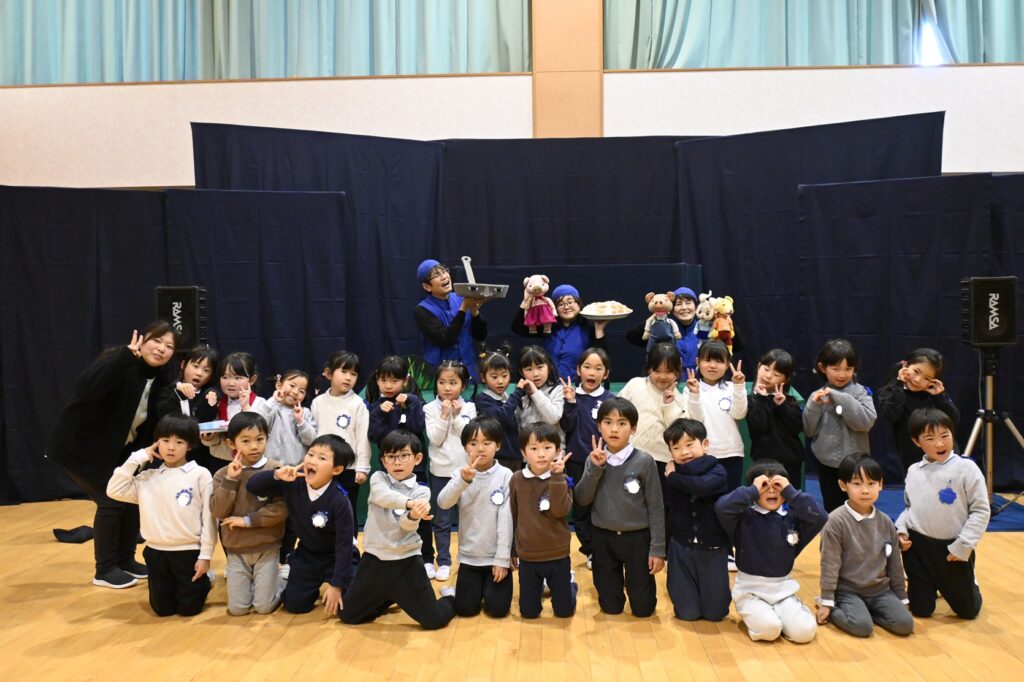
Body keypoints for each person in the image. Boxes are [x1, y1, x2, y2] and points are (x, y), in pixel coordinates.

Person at [47, 321, 180, 588]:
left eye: (169, 346)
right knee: (111, 499)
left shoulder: (161, 377)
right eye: (157, 341)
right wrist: (122, 357)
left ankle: (125, 559)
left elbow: (159, 416)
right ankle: (105, 570)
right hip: (81, 449)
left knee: (131, 498)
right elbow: (85, 388)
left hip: (117, 452)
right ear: (142, 340)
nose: (161, 349)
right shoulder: (119, 361)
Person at [340, 430, 457, 630]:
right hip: (374, 559)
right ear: (383, 461)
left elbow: (406, 525)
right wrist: (410, 504)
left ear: (417, 459)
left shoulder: (422, 491)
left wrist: (413, 516)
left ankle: (451, 597)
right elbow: (382, 496)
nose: (397, 462)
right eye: (391, 457)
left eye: (404, 456)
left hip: (407, 561)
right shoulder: (378, 479)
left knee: (435, 620)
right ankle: (390, 594)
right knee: (348, 615)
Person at [106, 413, 216, 616]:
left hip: (188, 551)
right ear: (157, 443)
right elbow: (113, 490)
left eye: (179, 442)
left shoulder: (200, 474)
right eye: (165, 441)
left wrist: (205, 556)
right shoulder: (148, 477)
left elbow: (209, 518)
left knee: (189, 609)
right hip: (156, 551)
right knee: (162, 610)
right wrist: (137, 458)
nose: (171, 447)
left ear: (189, 446)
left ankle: (206, 579)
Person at [715, 459, 827, 643]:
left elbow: (820, 516)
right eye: (764, 486)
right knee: (769, 630)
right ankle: (762, 614)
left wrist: (791, 492)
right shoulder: (743, 517)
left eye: (777, 485)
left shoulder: (793, 519)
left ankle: (786, 612)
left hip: (783, 591)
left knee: (805, 633)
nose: (772, 490)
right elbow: (721, 507)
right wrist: (752, 490)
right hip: (750, 592)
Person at [575, 397, 666, 617]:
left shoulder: (644, 461)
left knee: (643, 608)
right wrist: (595, 468)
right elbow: (582, 499)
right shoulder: (593, 459)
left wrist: (657, 549)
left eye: (622, 423)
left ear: (633, 429)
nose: (614, 429)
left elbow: (656, 507)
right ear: (599, 426)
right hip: (603, 537)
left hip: (637, 538)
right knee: (611, 607)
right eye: (608, 422)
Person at [896, 408, 989, 620]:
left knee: (968, 612)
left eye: (945, 435)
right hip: (918, 548)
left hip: (951, 548)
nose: (940, 444)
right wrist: (901, 530)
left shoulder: (966, 468)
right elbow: (909, 508)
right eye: (930, 438)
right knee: (921, 610)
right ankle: (933, 585)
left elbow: (981, 510)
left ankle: (970, 581)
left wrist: (964, 544)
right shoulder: (913, 471)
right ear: (917, 441)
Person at [247, 435, 355, 616]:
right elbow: (252, 486)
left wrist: (336, 585)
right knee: (295, 606)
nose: (312, 460)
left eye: (322, 458)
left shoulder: (340, 500)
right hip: (308, 555)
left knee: (349, 607)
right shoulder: (293, 483)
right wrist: (276, 474)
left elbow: (344, 546)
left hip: (337, 556)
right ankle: (288, 575)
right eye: (310, 454)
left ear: (336, 469)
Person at [817, 454, 913, 637]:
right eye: (856, 483)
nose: (865, 490)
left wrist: (902, 597)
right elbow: (830, 563)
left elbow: (894, 564)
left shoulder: (886, 522)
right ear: (843, 485)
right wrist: (826, 600)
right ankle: (837, 608)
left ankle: (867, 612)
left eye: (871, 483)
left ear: (881, 485)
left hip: (880, 591)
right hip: (848, 591)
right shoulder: (835, 521)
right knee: (862, 627)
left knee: (905, 624)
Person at [209, 412, 288, 616]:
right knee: (237, 609)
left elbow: (282, 509)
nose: (254, 446)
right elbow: (218, 511)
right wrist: (230, 480)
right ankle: (259, 584)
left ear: (267, 439)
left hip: (267, 547)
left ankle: (282, 578)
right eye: (246, 441)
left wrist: (248, 521)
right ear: (231, 443)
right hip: (236, 549)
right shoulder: (222, 474)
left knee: (263, 607)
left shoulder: (276, 469)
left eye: (259, 439)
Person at [437, 416, 514, 618]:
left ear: (498, 445)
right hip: (469, 557)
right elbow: (443, 503)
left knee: (498, 610)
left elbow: (506, 521)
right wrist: (463, 481)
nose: (480, 449)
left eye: (487, 443)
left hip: (496, 558)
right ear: (465, 447)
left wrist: (502, 559)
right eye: (473, 443)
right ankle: (453, 592)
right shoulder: (460, 473)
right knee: (465, 610)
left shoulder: (506, 475)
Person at [367, 355, 433, 574]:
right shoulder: (376, 406)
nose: (388, 386)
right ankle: (390, 552)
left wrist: (411, 403)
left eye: (394, 381)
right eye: (384, 380)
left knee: (421, 513)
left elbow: (416, 427)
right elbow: (375, 436)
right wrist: (379, 413)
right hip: (389, 471)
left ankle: (426, 557)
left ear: (405, 381)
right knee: (389, 513)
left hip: (415, 470)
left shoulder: (414, 402)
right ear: (377, 380)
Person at [661, 418, 730, 622]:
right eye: (676, 448)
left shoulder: (717, 470)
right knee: (687, 613)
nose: (684, 452)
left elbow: (701, 486)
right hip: (681, 545)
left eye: (689, 445)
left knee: (716, 613)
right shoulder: (671, 472)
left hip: (712, 547)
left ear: (705, 444)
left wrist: (674, 476)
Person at [509, 422, 577, 619]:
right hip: (528, 556)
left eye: (547, 448)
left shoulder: (563, 479)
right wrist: (512, 550)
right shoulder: (516, 479)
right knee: (529, 612)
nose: (541, 454)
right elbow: (513, 516)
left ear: (557, 451)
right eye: (534, 448)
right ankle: (542, 587)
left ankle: (571, 585)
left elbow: (560, 511)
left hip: (558, 553)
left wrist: (556, 477)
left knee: (564, 611)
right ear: (523, 453)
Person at [803, 339, 877, 512]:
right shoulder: (817, 396)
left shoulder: (861, 393)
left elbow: (865, 423)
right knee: (832, 507)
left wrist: (840, 397)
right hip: (826, 464)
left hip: (856, 463)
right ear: (823, 368)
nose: (842, 374)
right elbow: (809, 430)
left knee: (858, 506)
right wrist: (814, 406)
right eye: (836, 369)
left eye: (848, 369)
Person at [559, 347, 614, 568]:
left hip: (605, 462)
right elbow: (566, 426)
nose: (592, 372)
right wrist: (571, 403)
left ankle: (606, 550)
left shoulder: (610, 399)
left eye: (598, 368)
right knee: (581, 510)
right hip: (577, 463)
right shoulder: (570, 396)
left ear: (606, 374)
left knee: (604, 507)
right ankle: (591, 551)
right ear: (578, 370)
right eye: (587, 367)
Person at [423, 359, 477, 581]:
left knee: (469, 520)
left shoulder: (470, 407)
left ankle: (469, 559)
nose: (447, 387)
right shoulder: (429, 408)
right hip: (440, 473)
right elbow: (435, 439)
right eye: (442, 382)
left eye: (453, 382)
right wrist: (444, 415)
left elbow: (469, 436)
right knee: (442, 521)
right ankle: (443, 562)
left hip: (466, 472)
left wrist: (456, 415)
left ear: (463, 386)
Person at [618, 343, 702, 478]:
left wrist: (669, 405)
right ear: (649, 369)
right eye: (657, 371)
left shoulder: (680, 399)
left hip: (662, 460)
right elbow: (617, 412)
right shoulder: (635, 385)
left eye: (668, 372)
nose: (662, 376)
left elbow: (680, 433)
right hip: (631, 455)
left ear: (678, 371)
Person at [876, 348, 960, 474]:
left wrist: (939, 397)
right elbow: (891, 414)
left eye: (927, 378)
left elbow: (953, 421)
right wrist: (898, 385)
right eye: (916, 371)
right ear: (905, 365)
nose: (918, 380)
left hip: (945, 453)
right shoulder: (891, 391)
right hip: (913, 458)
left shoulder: (934, 395)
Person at [311, 350, 370, 523]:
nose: (348, 378)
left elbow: (362, 438)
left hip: (348, 469)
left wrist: (362, 468)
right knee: (321, 510)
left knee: (347, 511)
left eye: (353, 374)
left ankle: (349, 541)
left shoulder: (358, 404)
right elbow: (312, 435)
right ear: (329, 373)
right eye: (343, 372)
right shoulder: (318, 402)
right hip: (321, 467)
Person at [511, 283, 609, 381]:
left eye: (570, 302)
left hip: (576, 386)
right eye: (560, 304)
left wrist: (599, 329)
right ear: (554, 308)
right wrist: (526, 301)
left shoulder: (588, 330)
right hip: (549, 386)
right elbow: (517, 328)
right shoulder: (547, 328)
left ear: (579, 304)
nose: (566, 307)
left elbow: (601, 359)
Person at [686, 340, 747, 491]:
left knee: (731, 498)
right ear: (697, 362)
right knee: (706, 498)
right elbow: (696, 421)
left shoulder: (733, 387)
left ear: (727, 365)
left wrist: (739, 387)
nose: (712, 366)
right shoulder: (691, 389)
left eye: (719, 361)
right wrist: (695, 394)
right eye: (707, 360)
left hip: (732, 453)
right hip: (703, 454)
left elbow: (739, 414)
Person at [414, 259, 488, 381]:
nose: (444, 277)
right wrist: (464, 308)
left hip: (469, 371)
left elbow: (480, 335)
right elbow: (446, 339)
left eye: (444, 271)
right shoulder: (422, 310)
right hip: (442, 374)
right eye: (436, 275)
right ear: (427, 286)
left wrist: (474, 311)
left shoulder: (461, 298)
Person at [155, 344, 219, 471]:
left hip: (201, 458)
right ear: (183, 365)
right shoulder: (168, 391)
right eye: (195, 366)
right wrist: (179, 393)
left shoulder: (211, 394)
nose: (199, 373)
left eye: (206, 370)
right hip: (171, 455)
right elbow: (164, 418)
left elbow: (208, 420)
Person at [747, 349, 805, 486]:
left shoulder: (790, 400)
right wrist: (762, 398)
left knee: (789, 496)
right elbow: (759, 426)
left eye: (776, 374)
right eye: (766, 369)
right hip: (763, 464)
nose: (768, 376)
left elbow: (798, 427)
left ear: (786, 379)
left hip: (790, 463)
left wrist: (782, 406)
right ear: (759, 367)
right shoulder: (753, 400)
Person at [202, 352, 268, 462]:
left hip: (252, 461)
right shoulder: (217, 403)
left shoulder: (261, 403)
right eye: (225, 377)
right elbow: (213, 440)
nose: (231, 383)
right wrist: (209, 438)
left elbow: (261, 433)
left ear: (252, 380)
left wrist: (246, 407)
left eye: (238, 378)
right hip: (221, 460)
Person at [474, 346, 526, 471]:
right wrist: (518, 392)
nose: (500, 381)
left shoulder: (508, 398)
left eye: (504, 375)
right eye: (494, 377)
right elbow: (501, 417)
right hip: (498, 457)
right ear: (483, 378)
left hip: (516, 456)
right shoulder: (483, 399)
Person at [626, 286, 700, 373]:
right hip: (667, 378)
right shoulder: (662, 328)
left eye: (688, 303)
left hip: (699, 378)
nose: (684, 307)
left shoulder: (706, 330)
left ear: (696, 307)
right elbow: (631, 337)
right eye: (678, 304)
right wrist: (653, 318)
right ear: (671, 308)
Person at [254, 370, 318, 467]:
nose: (295, 392)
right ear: (279, 385)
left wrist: (301, 421)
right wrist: (273, 400)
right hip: (271, 467)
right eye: (292, 385)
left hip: (297, 468)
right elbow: (256, 424)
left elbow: (312, 440)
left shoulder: (305, 413)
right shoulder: (271, 407)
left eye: (301, 391)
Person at [515, 345, 565, 442]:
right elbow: (519, 428)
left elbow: (553, 418)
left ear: (548, 367)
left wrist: (535, 392)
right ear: (521, 372)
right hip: (529, 449)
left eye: (540, 367)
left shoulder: (558, 390)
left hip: (554, 449)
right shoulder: (519, 395)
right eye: (529, 369)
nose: (536, 374)